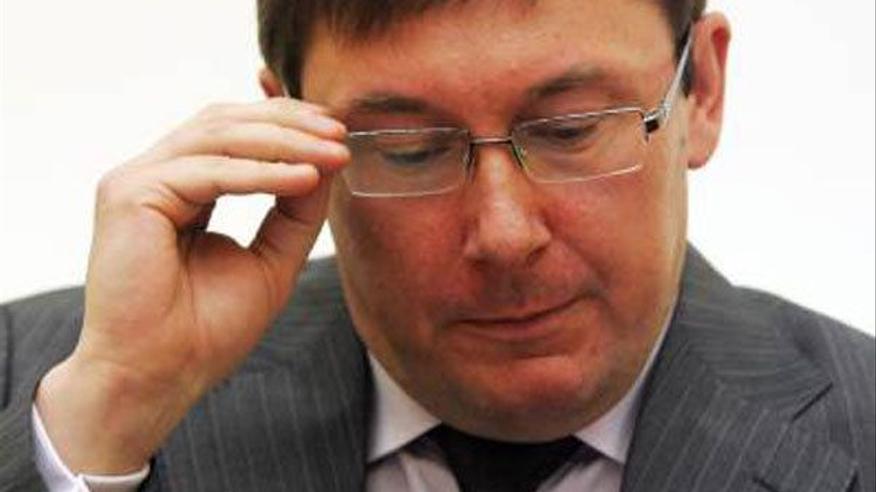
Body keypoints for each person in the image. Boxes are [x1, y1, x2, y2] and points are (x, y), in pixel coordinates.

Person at [1, 0, 873, 491]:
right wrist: (111, 417)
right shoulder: (52, 397)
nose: (504, 234)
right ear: (287, 128)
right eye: (408, 149)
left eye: (570, 130)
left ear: (702, 91)